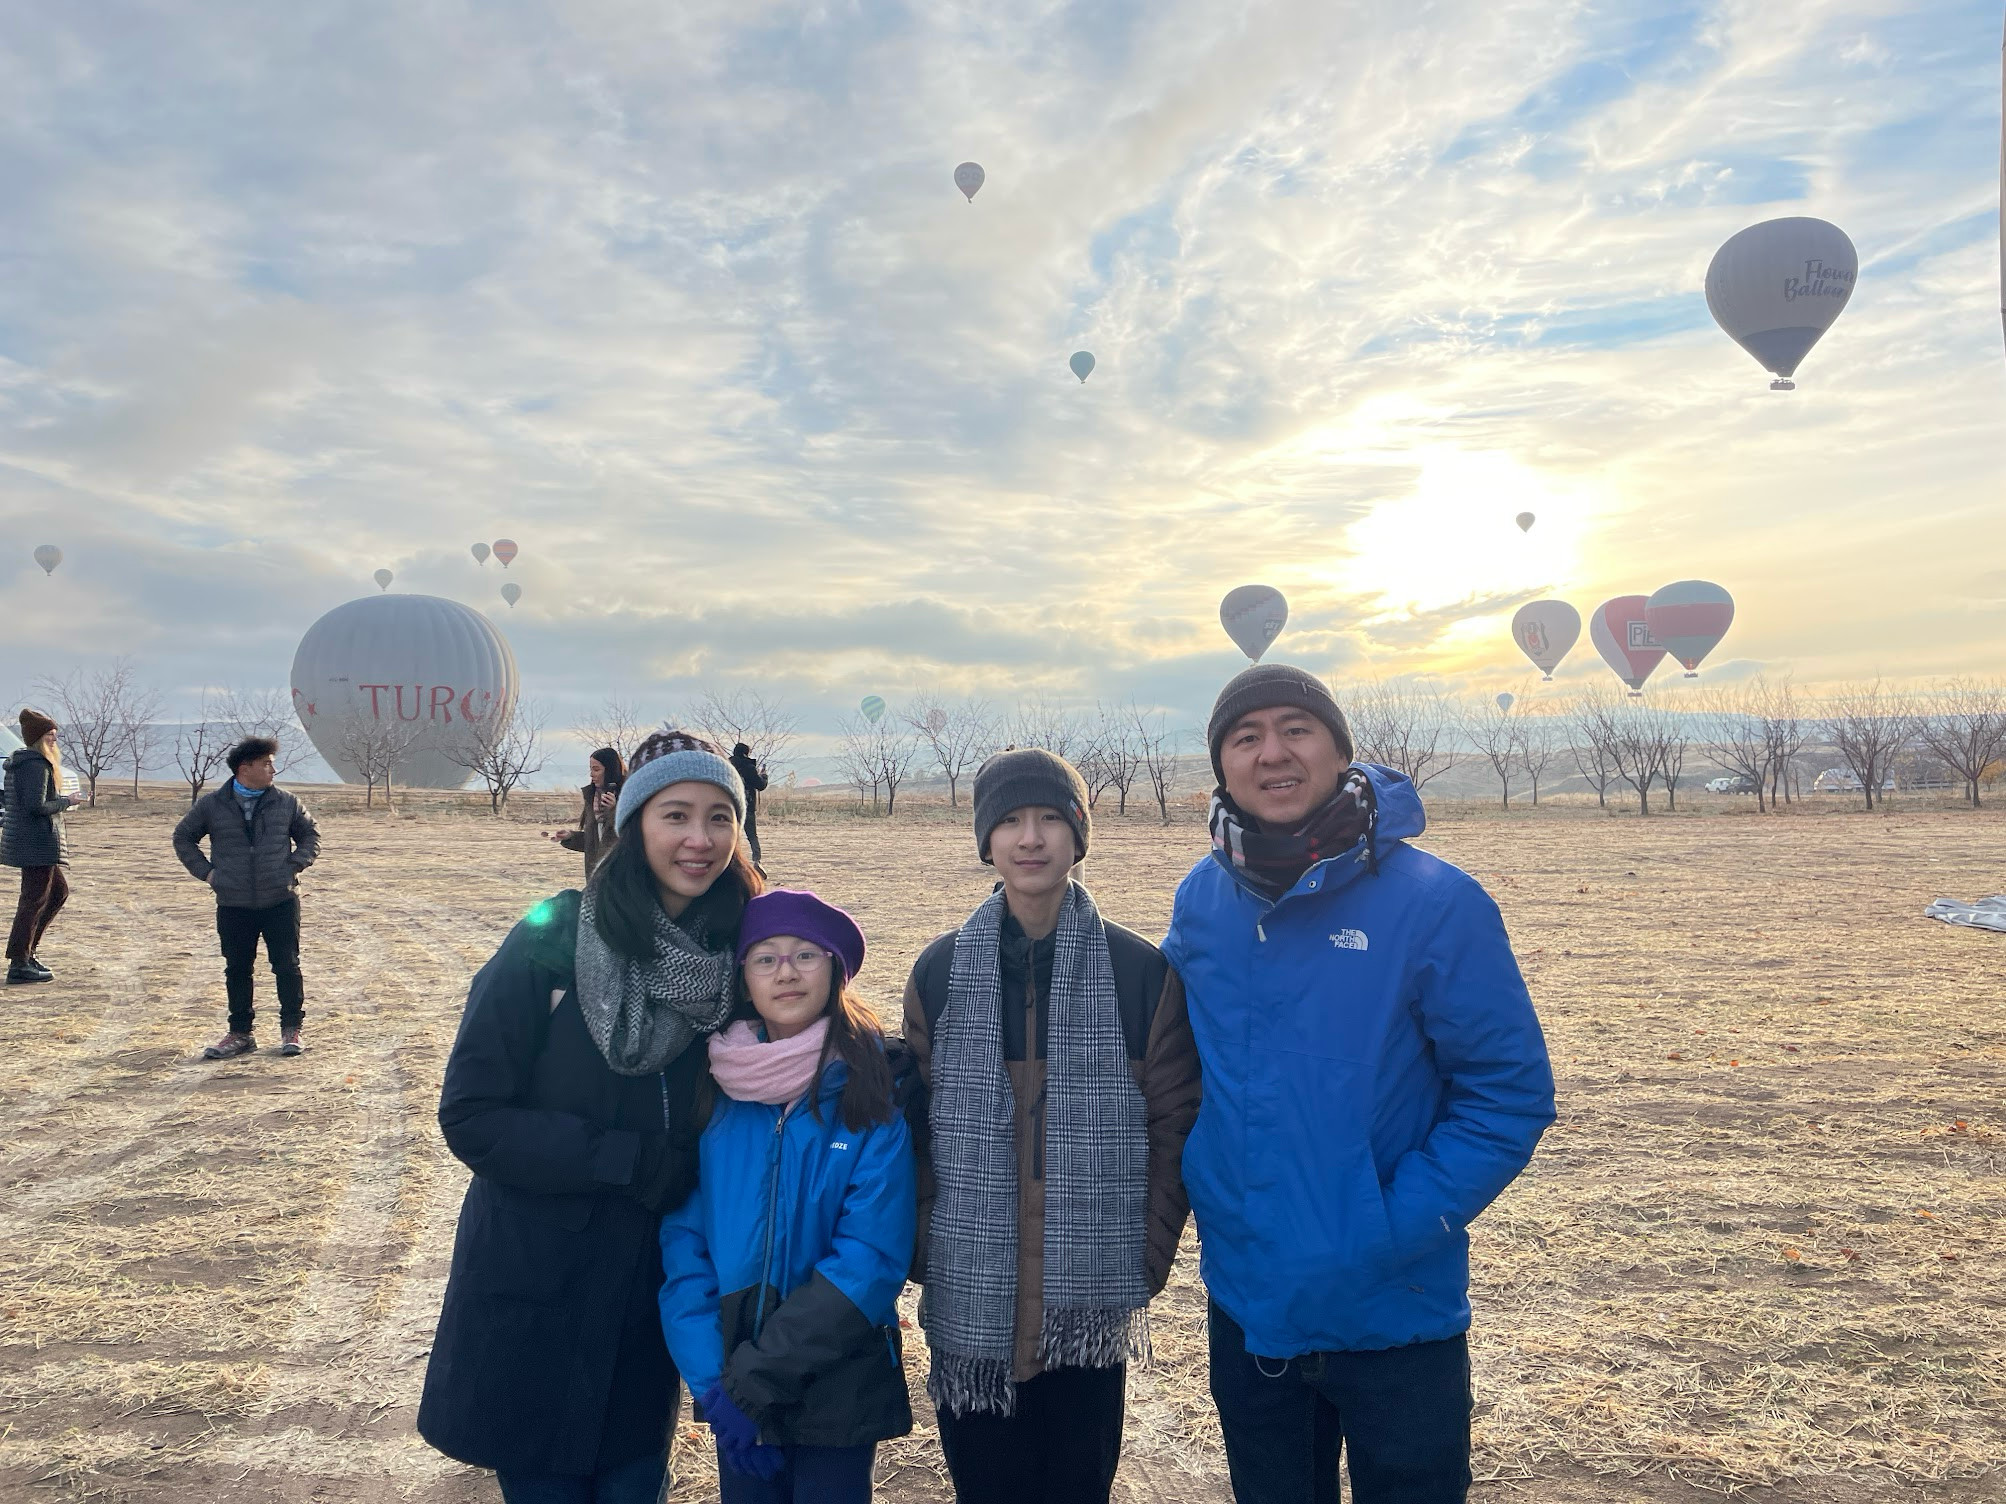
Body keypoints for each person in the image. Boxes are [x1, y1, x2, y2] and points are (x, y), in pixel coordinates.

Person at [1162, 665, 1555, 1504]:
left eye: (1296, 730)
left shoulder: (1437, 902)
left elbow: (1507, 1093)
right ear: (1222, 766)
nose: (1273, 753)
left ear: (1341, 752)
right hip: (1251, 1302)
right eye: (1246, 737)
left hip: (1394, 1310)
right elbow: (1175, 1065)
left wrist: (1383, 1229)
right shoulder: (1202, 899)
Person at [419, 730, 760, 1503]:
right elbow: (471, 1113)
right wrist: (626, 1160)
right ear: (635, 824)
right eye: (676, 815)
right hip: (535, 1280)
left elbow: (807, 1049)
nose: (699, 838)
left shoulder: (740, 956)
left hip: (650, 1288)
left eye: (719, 817)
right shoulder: (553, 939)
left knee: (635, 1482)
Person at [904, 749, 1201, 1504]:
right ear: (986, 840)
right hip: (970, 1300)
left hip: (1089, 1302)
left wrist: (1146, 1250)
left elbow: (1174, 1125)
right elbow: (916, 1135)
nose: (1030, 838)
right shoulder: (940, 973)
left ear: (1078, 836)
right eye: (1009, 820)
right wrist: (927, 1244)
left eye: (1049, 819)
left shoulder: (1138, 972)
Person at [659, 888, 914, 1503]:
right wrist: (714, 1385)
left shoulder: (871, 1093)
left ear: (835, 972)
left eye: (806, 955)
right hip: (732, 1377)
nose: (786, 972)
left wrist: (755, 1380)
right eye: (765, 957)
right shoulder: (715, 1091)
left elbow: (871, 1258)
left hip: (839, 1377)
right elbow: (685, 1246)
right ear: (744, 978)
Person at [171, 737, 321, 1058]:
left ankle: (291, 1029)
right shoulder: (213, 805)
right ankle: (240, 1034)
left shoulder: (287, 802)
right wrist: (208, 874)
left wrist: (294, 865)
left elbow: (310, 835)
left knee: (287, 965)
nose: (273, 770)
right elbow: (183, 837)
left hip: (280, 899)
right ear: (245, 768)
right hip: (233, 902)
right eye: (266, 764)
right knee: (237, 968)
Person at [3, 709, 79, 985]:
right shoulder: (36, 765)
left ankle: (27, 954)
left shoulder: (23, 763)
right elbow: (36, 806)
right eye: (49, 735)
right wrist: (67, 801)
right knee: (33, 900)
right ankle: (19, 963)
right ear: (37, 739)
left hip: (33, 842)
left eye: (55, 735)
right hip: (36, 843)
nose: (54, 740)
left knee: (57, 892)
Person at [548, 747, 624, 881]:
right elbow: (594, 843)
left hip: (621, 877)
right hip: (596, 879)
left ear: (610, 770)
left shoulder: (628, 797)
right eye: (591, 769)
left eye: (596, 769)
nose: (591, 775)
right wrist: (570, 836)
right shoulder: (592, 798)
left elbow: (631, 837)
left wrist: (615, 810)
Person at [730, 743, 770, 867]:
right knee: (752, 835)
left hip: (730, 806)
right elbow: (760, 785)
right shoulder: (749, 767)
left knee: (732, 834)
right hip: (747, 805)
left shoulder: (727, 766)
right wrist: (764, 776)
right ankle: (757, 861)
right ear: (745, 753)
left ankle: (731, 860)